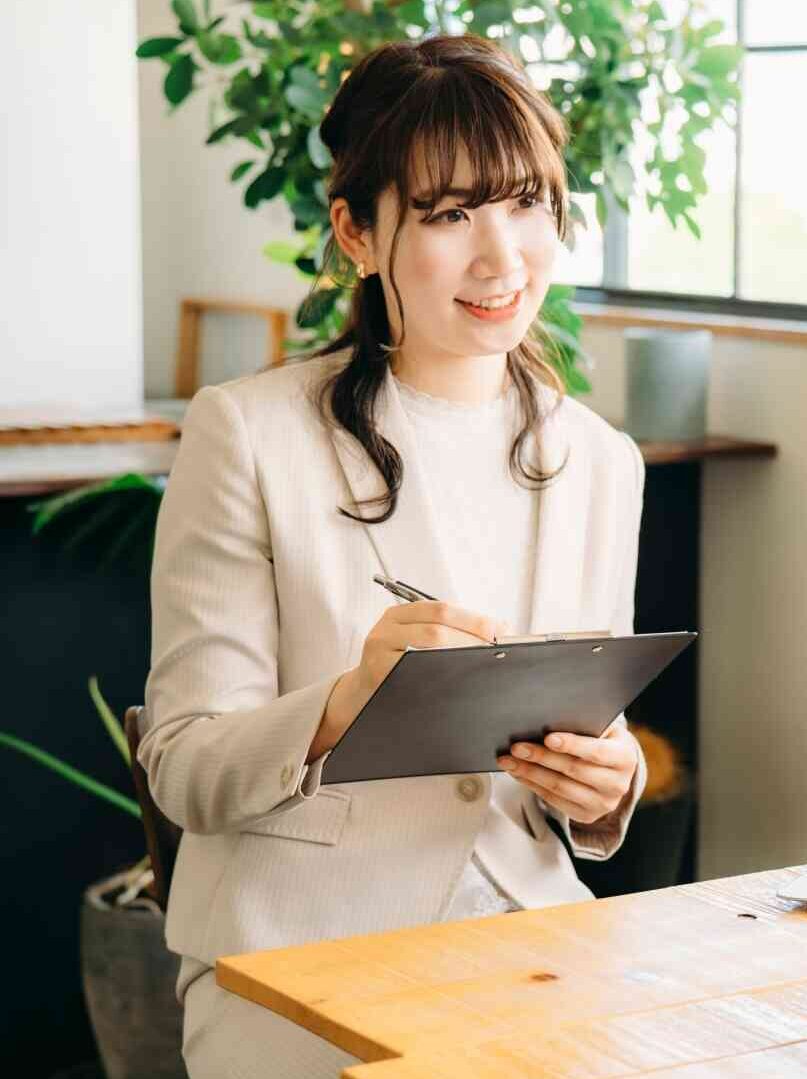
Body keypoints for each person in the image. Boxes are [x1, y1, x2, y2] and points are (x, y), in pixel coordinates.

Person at [141, 36, 646, 1079]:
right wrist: (345, 697)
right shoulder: (247, 432)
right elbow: (186, 764)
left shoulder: (602, 460)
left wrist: (609, 779)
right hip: (298, 954)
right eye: (450, 214)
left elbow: (588, 731)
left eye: (526, 205)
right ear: (358, 235)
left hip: (533, 942)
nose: (502, 258)